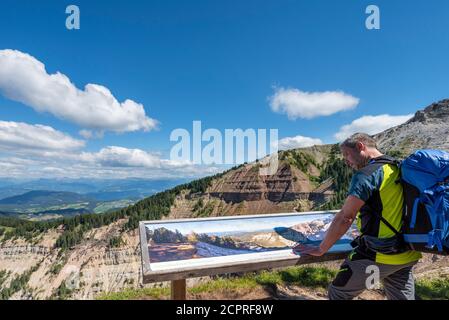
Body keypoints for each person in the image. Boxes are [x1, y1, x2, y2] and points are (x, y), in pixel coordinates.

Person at [293, 133, 422, 300]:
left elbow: (346, 217)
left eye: (347, 154)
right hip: (407, 253)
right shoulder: (398, 166)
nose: (346, 160)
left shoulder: (366, 174)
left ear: (361, 146)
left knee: (338, 293)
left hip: (379, 255)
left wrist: (321, 248)